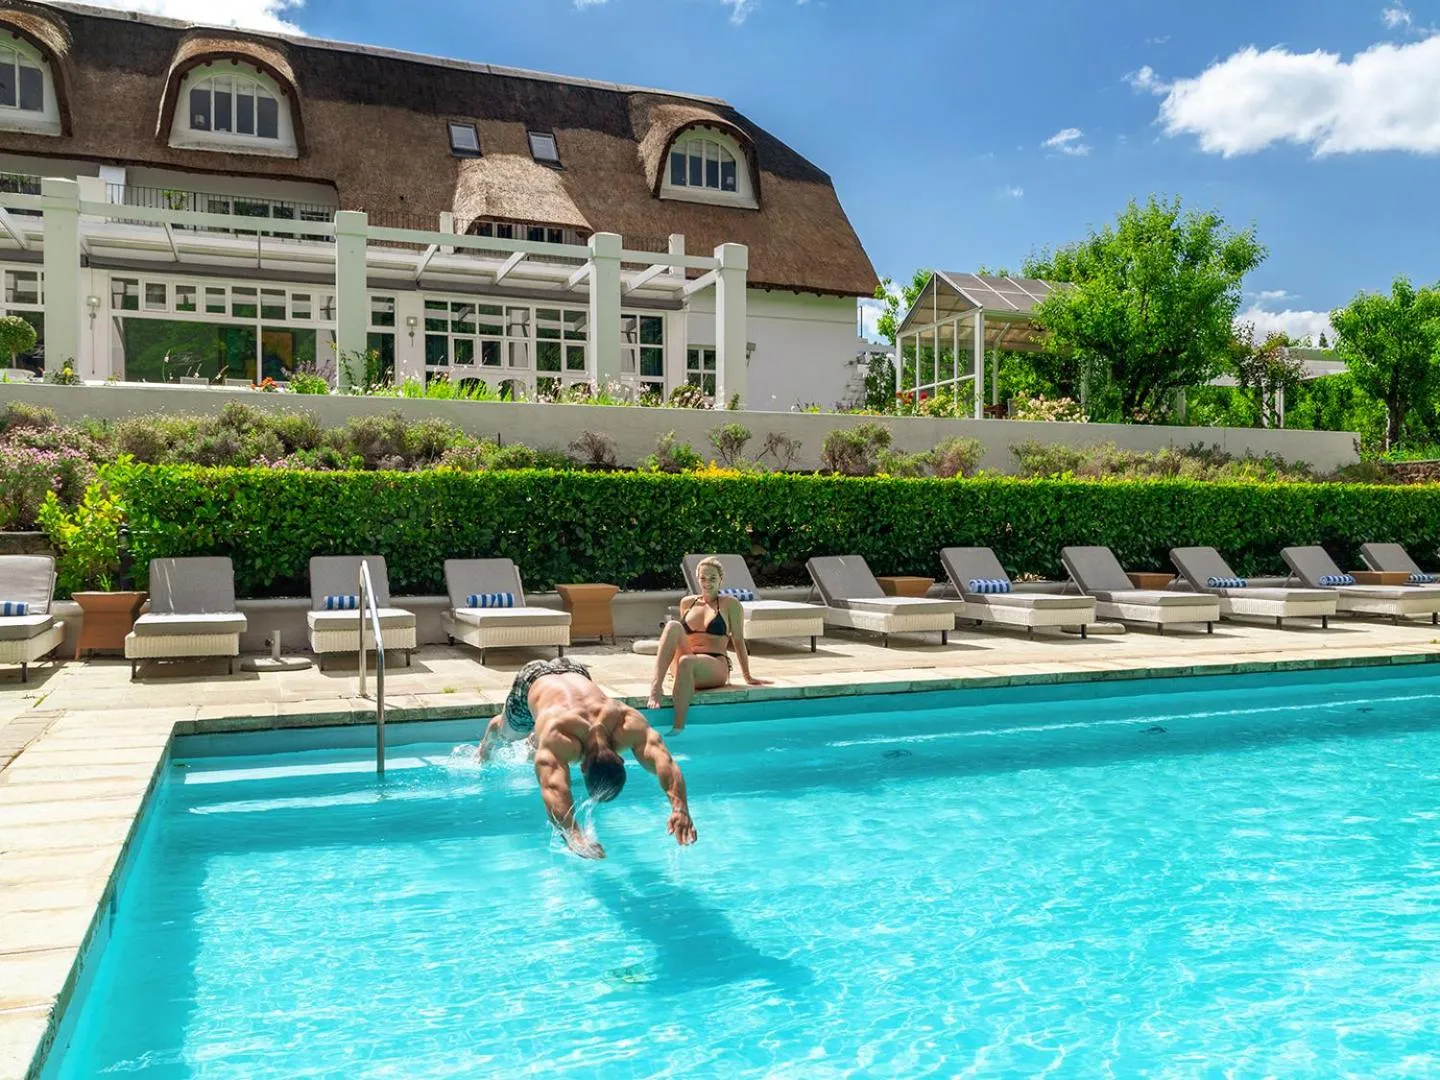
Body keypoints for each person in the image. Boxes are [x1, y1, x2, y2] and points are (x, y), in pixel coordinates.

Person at [476, 656, 696, 859]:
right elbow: (553, 788)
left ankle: (535, 737)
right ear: (582, 768)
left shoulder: (627, 723)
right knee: (508, 731)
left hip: (575, 668)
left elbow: (665, 761)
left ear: (620, 761)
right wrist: (575, 837)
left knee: (542, 743)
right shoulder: (559, 737)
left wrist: (680, 809)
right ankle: (486, 745)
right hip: (531, 679)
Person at [646, 556, 770, 732]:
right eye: (703, 578)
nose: (707, 582)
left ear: (721, 579)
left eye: (712, 578)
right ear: (697, 579)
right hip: (686, 660)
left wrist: (747, 675)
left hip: (714, 664)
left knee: (686, 662)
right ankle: (656, 687)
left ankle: (678, 727)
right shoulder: (688, 603)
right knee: (673, 625)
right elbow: (680, 640)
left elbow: (738, 640)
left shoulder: (730, 604)